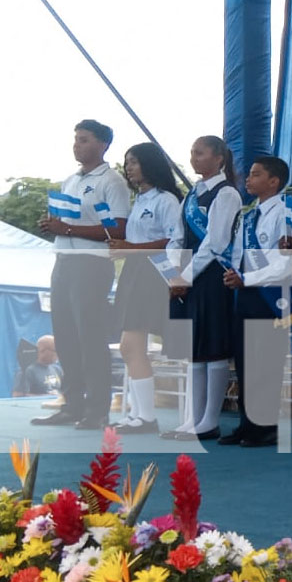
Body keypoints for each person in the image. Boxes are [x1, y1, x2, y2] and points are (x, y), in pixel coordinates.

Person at [33, 119, 131, 430]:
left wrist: (69, 228)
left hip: (91, 264)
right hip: (64, 260)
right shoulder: (70, 180)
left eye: (85, 139)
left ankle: (98, 410)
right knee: (65, 336)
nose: (77, 144)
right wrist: (54, 226)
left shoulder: (112, 182)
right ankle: (72, 404)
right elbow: (66, 223)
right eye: (76, 139)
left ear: (103, 144)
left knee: (90, 338)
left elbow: (118, 228)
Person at [162, 136, 241, 441]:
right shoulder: (192, 195)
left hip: (211, 276)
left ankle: (209, 419)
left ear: (219, 158)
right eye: (192, 153)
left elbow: (216, 242)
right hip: (188, 276)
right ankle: (192, 419)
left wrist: (186, 275)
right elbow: (176, 238)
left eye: (200, 153)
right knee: (194, 349)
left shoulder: (227, 193)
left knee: (213, 346)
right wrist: (174, 271)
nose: (194, 158)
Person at [107, 143, 184, 434]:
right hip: (133, 271)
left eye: (135, 162)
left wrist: (132, 247)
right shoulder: (137, 199)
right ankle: (139, 414)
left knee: (133, 344)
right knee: (131, 346)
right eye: (126, 162)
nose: (129, 168)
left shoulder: (166, 200)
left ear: (150, 164)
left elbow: (173, 240)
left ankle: (146, 417)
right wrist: (124, 249)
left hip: (155, 270)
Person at [221, 156, 292, 447]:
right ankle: (247, 422)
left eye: (255, 174)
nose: (248, 179)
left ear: (274, 181)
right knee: (245, 360)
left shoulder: (285, 212)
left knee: (265, 361)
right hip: (246, 292)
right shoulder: (249, 215)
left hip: (271, 295)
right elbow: (239, 254)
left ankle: (265, 426)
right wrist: (233, 275)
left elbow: (284, 263)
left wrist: (247, 279)